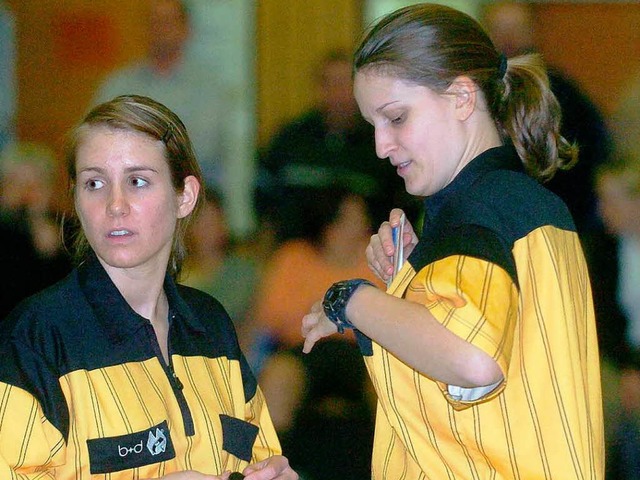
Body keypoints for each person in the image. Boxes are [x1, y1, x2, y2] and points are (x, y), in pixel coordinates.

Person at [301, 4, 604, 479]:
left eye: (396, 118)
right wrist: (410, 282)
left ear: (462, 97)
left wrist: (350, 300)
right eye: (373, 125)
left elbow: (472, 357)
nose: (381, 146)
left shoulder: (477, 216)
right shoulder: (521, 204)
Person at [0, 95, 297, 480]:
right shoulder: (34, 338)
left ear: (184, 197)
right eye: (94, 183)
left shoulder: (210, 324)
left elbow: (258, 455)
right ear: (75, 198)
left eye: (137, 181)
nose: (115, 204)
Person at [93, 0, 256, 239]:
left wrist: (236, 218)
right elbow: (92, 151)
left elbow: (234, 159)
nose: (161, 29)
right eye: (154, 23)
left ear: (186, 29)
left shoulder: (213, 89)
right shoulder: (117, 87)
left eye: (168, 22)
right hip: (129, 202)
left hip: (197, 205)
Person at [481, 0, 612, 235]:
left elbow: (593, 155)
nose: (509, 39)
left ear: (532, 33)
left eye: (517, 29)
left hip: (557, 223)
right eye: (499, 29)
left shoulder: (562, 94)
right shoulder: (470, 95)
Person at [257, 50, 414, 243]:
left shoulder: (382, 144)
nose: (335, 93)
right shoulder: (289, 140)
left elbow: (402, 207)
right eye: (327, 83)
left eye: (342, 84)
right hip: (294, 258)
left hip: (365, 260)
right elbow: (263, 201)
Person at [591, 154, 640, 479]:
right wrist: (628, 368)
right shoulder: (603, 250)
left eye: (611, 201)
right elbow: (604, 321)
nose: (602, 210)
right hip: (623, 359)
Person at [0, 141, 72, 319]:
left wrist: (52, 253)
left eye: (37, 184)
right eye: (16, 183)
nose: (26, 192)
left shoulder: (68, 229)